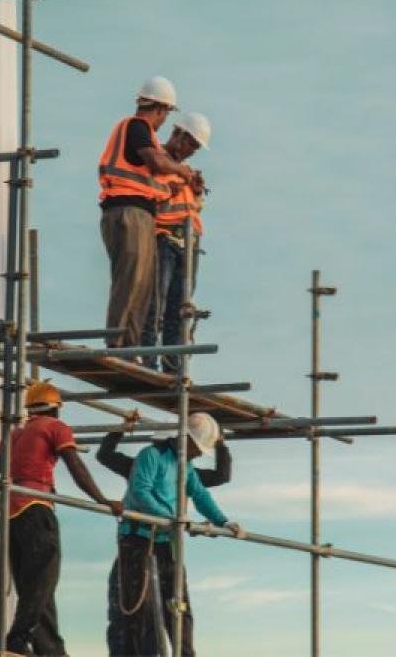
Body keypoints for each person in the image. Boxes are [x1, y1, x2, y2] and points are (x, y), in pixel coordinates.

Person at [0, 381, 123, 656]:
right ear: (56, 408)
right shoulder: (54, 427)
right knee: (44, 579)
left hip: (10, 515)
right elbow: (75, 466)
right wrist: (102, 500)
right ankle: (18, 637)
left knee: (34, 586)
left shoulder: (14, 436)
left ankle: (50, 649)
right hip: (35, 507)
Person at [110, 413, 244, 656]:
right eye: (197, 447)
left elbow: (200, 495)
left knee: (179, 606)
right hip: (139, 540)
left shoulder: (186, 467)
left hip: (166, 541)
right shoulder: (151, 456)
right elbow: (141, 491)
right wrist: (170, 519)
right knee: (140, 608)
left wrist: (223, 521)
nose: (199, 453)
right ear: (185, 440)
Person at [98, 76, 199, 350]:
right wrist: (181, 170)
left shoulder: (145, 137)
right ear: (161, 109)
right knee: (130, 280)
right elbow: (156, 161)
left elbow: (155, 180)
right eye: (166, 113)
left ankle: (129, 346)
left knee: (141, 285)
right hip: (126, 211)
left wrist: (183, 182)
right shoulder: (137, 127)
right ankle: (118, 344)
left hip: (138, 212)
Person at [140, 112, 212, 373]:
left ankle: (173, 367)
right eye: (190, 143)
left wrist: (195, 193)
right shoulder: (157, 161)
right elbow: (150, 198)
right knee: (155, 307)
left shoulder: (185, 172)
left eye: (195, 147)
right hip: (164, 240)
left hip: (188, 245)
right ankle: (148, 361)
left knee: (179, 311)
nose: (192, 151)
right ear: (178, 135)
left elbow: (191, 208)